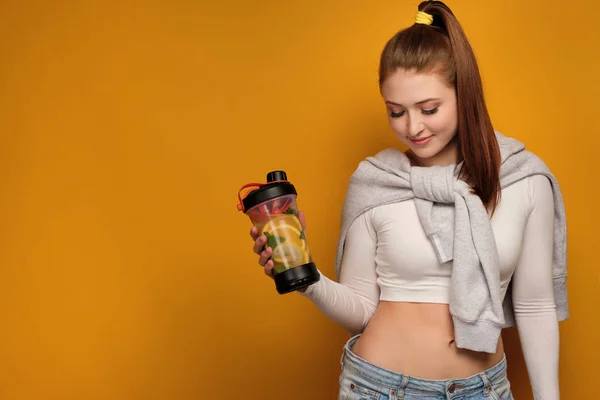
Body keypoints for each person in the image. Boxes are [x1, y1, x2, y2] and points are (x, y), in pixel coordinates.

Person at [249, 1, 568, 399]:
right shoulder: (377, 182)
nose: (412, 127)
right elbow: (363, 310)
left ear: (464, 94)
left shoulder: (523, 179)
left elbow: (535, 307)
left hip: (485, 390)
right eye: (396, 112)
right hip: (381, 388)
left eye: (429, 109)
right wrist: (308, 279)